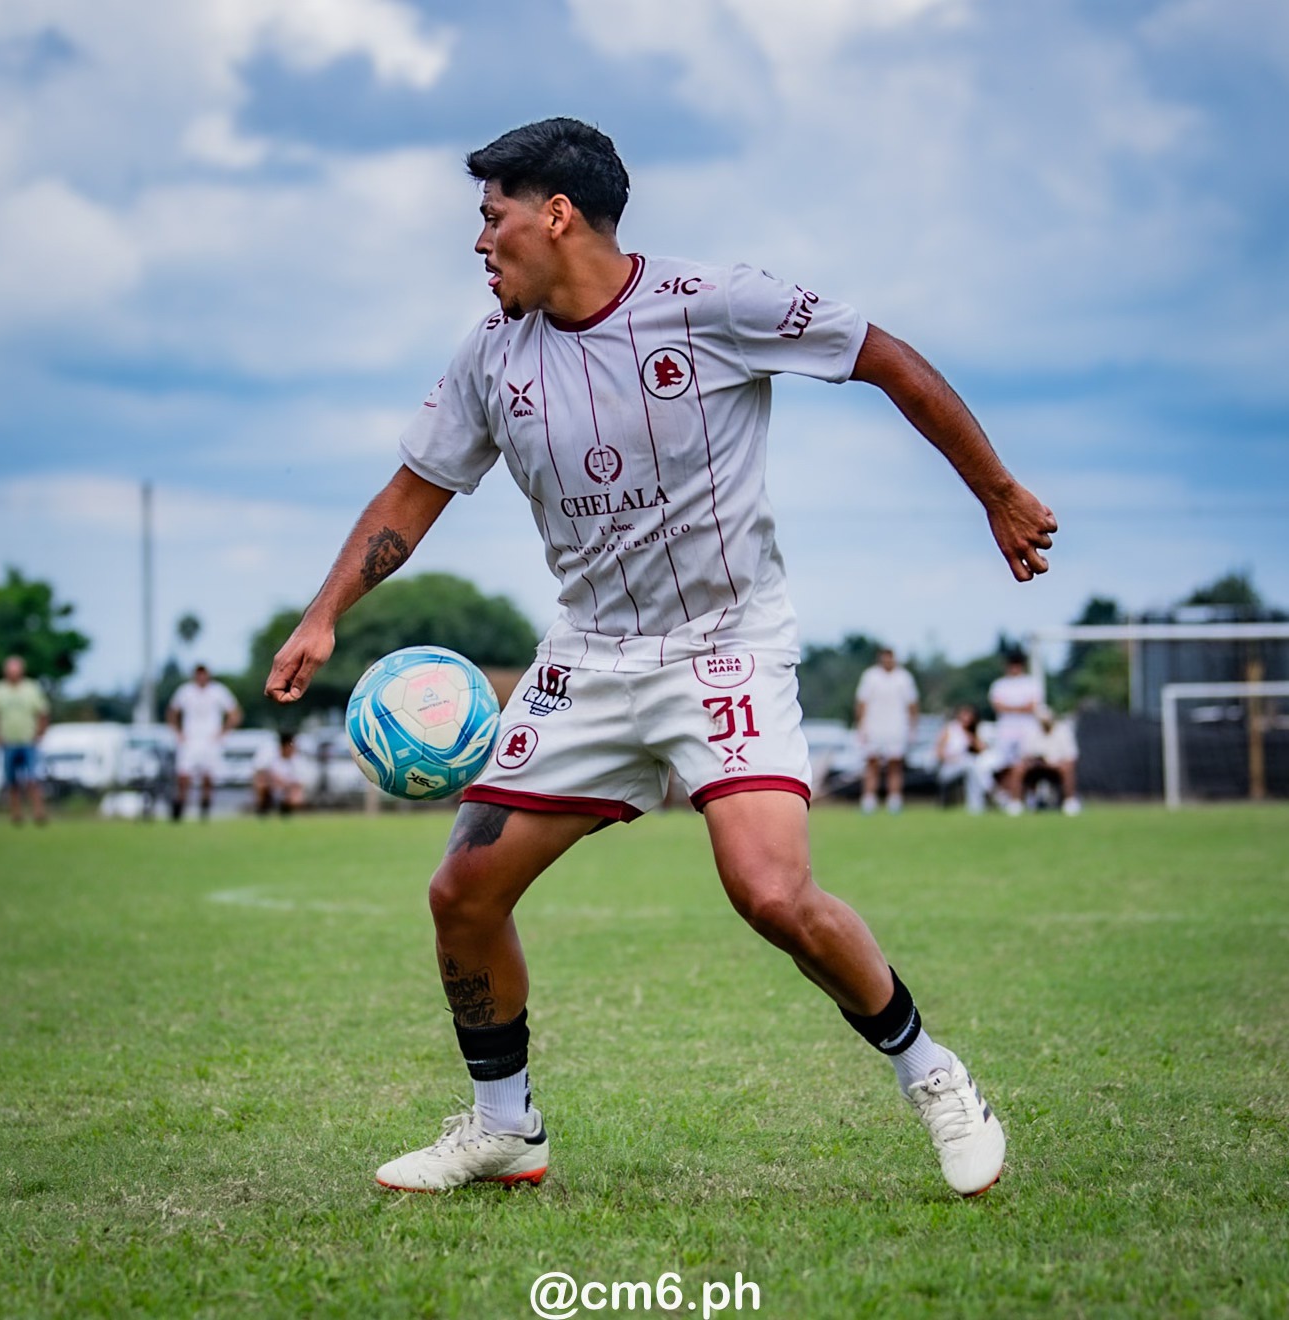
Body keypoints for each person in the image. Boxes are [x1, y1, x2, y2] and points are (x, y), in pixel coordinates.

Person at [265, 118, 1057, 1198]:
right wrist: (324, 615)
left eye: (493, 218)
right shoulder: (491, 357)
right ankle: (507, 1127)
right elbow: (414, 492)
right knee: (463, 892)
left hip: (723, 647)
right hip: (587, 658)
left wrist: (997, 491)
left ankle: (935, 1076)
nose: (479, 243)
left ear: (557, 214)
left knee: (770, 892)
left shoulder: (713, 303)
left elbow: (885, 358)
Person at [166, 664, 241, 821]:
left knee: (208, 776)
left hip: (210, 740)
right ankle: (180, 805)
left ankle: (205, 807)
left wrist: (223, 732)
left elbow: (235, 713)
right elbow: (172, 712)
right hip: (191, 739)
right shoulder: (185, 691)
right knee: (183, 775)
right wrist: (178, 733)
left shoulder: (218, 691)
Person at [854, 648, 919, 815]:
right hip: (874, 727)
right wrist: (861, 725)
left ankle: (894, 800)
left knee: (895, 764)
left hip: (897, 727)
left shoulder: (904, 677)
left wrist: (913, 727)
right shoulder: (870, 676)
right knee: (872, 763)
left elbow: (912, 704)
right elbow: (862, 702)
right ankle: (869, 800)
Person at [987, 650, 1044, 816]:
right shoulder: (1000, 684)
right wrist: (1019, 708)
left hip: (1027, 731)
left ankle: (1031, 798)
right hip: (1006, 732)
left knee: (1028, 766)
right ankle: (1013, 798)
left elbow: (1032, 706)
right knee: (1007, 766)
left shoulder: (1031, 683)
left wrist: (1011, 708)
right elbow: (998, 706)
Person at [0, 654, 50, 825]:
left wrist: (40, 732)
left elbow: (42, 712)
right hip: (8, 742)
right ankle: (16, 814)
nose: (13, 674)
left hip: (29, 741)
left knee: (33, 778)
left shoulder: (31, 688)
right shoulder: (0, 690)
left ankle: (38, 812)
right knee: (11, 781)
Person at [1022, 706, 1082, 816]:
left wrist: (1055, 764)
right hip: (1038, 767)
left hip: (1057, 765)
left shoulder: (1063, 731)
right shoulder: (1032, 732)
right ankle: (1019, 802)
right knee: (1019, 768)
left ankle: (1070, 801)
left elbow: (1071, 756)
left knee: (1067, 768)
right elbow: (1026, 755)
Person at [935, 704, 989, 814]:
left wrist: (971, 737)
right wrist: (951, 757)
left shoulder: (973, 731)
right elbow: (939, 752)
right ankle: (991, 790)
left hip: (969, 767)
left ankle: (976, 806)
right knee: (971, 765)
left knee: (973, 768)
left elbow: (983, 750)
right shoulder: (950, 729)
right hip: (949, 768)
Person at [252, 731, 306, 816]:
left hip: (286, 789)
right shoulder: (270, 755)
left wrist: (286, 785)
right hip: (272, 787)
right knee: (260, 782)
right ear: (285, 746)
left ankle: (285, 809)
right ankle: (263, 807)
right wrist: (275, 780)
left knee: (296, 795)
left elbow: (299, 783)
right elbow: (259, 773)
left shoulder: (297, 760)